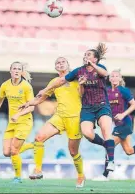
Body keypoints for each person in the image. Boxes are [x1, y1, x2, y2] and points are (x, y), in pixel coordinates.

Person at [36, 43, 115, 171]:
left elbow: (105, 74)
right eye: (84, 55)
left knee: (106, 131)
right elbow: (61, 80)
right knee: (87, 134)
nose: (85, 56)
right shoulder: (78, 71)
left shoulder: (100, 68)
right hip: (87, 108)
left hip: (102, 106)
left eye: (88, 55)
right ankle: (107, 146)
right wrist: (46, 89)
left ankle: (110, 161)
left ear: (95, 59)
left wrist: (93, 65)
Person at [19, 57, 85, 188]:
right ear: (55, 68)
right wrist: (28, 103)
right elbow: (41, 98)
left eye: (62, 62)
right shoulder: (54, 81)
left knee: (73, 152)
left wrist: (82, 84)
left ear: (68, 65)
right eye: (57, 63)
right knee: (39, 138)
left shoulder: (77, 78)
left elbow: (82, 95)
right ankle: (38, 170)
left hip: (75, 118)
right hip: (59, 117)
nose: (60, 64)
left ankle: (80, 175)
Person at [0, 61, 35, 183]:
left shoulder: (26, 86)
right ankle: (32, 145)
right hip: (12, 122)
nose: (16, 71)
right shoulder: (5, 85)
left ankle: (18, 177)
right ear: (10, 71)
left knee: (14, 150)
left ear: (21, 72)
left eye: (19, 69)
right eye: (14, 68)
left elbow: (32, 107)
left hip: (24, 121)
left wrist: (18, 114)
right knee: (6, 152)